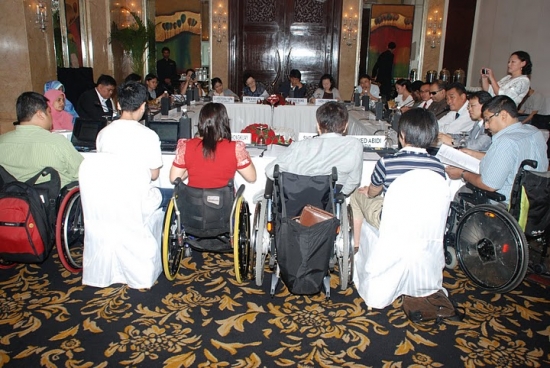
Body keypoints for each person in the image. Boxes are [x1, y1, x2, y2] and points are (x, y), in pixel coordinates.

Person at [350, 108, 445, 248]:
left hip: (391, 221)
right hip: (425, 223)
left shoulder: (387, 162)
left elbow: (373, 192)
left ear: (401, 135)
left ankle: (355, 246)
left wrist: (368, 191)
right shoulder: (438, 166)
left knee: (356, 194)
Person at [445, 95, 548, 203]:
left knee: (458, 192)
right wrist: (473, 153)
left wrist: (462, 173)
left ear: (503, 115)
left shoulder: (505, 141)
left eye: (488, 120)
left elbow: (489, 185)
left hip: (503, 204)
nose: (486, 126)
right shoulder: (534, 132)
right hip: (534, 201)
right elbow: (510, 160)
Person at [265, 101, 363, 196]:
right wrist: (341, 194)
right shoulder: (354, 145)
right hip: (329, 202)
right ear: (346, 126)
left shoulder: (299, 146)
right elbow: (354, 180)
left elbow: (270, 171)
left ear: (318, 126)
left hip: (294, 201)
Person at [0, 92, 83, 188]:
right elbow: (83, 172)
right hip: (57, 200)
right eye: (49, 112)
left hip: (13, 200)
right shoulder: (56, 142)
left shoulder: (2, 142)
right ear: (40, 114)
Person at [170, 102, 256, 187]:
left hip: (193, 199)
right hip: (224, 200)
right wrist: (246, 155)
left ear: (201, 122)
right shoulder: (236, 148)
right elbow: (252, 178)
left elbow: (174, 179)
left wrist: (190, 167)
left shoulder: (185, 146)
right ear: (224, 122)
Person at [96, 81, 162, 185]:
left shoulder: (102, 133)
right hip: (139, 197)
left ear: (118, 105)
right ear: (143, 106)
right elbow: (154, 175)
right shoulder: (149, 135)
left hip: (110, 193)